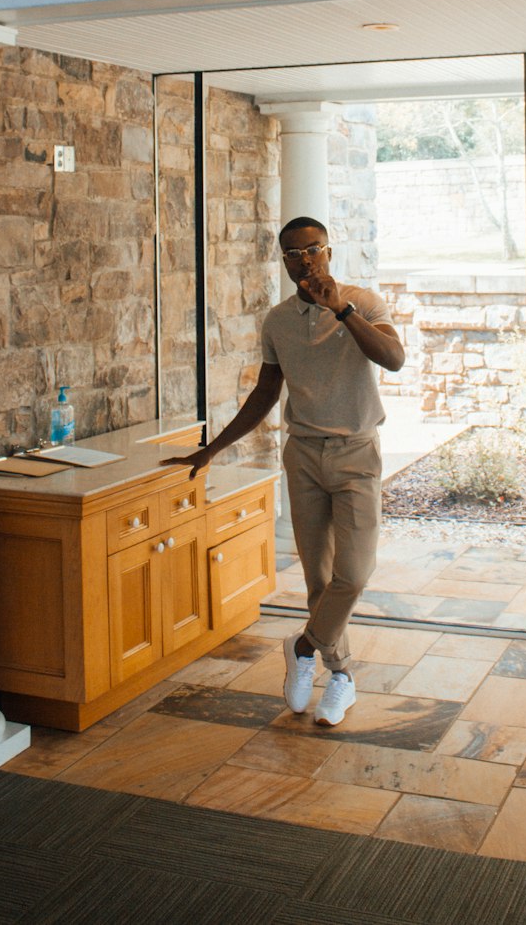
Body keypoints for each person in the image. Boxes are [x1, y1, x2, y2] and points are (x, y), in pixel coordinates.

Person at [163, 217, 405, 727]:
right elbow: (265, 394)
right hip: (303, 456)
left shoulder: (364, 303)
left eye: (313, 250)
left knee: (354, 574)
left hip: (357, 454)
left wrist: (340, 308)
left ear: (329, 252)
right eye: (293, 254)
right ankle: (340, 675)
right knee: (318, 580)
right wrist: (212, 450)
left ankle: (301, 646)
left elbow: (393, 358)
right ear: (285, 261)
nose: (305, 261)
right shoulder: (277, 322)